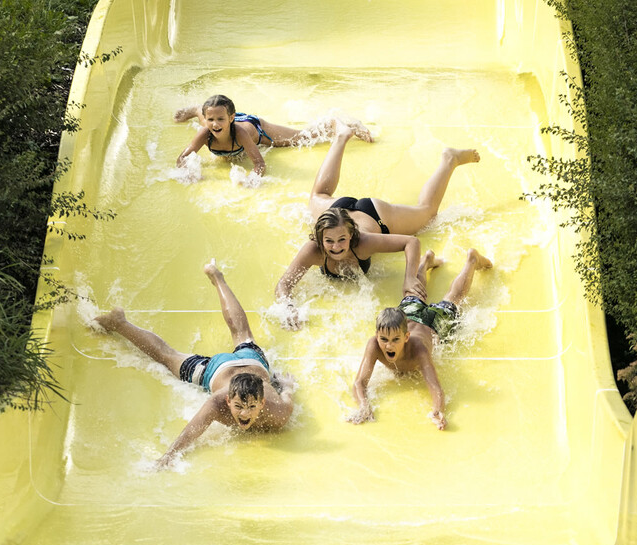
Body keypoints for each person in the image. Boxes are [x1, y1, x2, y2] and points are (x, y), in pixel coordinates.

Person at [274, 125, 481, 329]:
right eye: (329, 241)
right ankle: (342, 135)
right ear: (319, 238)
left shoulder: (363, 242)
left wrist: (409, 278)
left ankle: (449, 159)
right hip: (335, 213)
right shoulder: (313, 250)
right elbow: (283, 284)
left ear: (351, 235)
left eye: (341, 240)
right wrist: (288, 305)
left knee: (427, 213)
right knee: (317, 197)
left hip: (374, 214)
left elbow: (411, 242)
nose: (335, 247)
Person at [94, 262, 296, 469]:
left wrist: (287, 386)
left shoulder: (279, 413)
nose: (244, 414)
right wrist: (169, 456)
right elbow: (192, 430)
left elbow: (287, 398)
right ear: (227, 399)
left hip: (251, 361)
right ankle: (119, 323)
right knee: (167, 356)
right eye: (238, 406)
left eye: (251, 407)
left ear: (262, 403)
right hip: (216, 369)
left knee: (241, 332)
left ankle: (217, 277)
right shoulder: (217, 404)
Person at [346, 248, 492, 430]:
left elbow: (435, 387)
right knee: (413, 294)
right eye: (383, 339)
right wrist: (363, 406)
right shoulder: (374, 344)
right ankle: (426, 262)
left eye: (395, 340)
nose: (388, 345)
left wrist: (438, 410)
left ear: (406, 337)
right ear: (377, 335)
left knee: (454, 299)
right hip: (409, 313)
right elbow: (359, 383)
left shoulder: (419, 350)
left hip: (433, 323)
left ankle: (472, 260)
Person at [174, 94, 372, 176]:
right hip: (226, 120)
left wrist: (252, 178)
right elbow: (183, 157)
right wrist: (189, 173)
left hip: (256, 129)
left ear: (231, 118)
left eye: (220, 120)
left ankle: (339, 123)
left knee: (302, 138)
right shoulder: (207, 130)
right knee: (206, 118)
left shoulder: (240, 133)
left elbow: (259, 164)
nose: (214, 124)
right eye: (212, 120)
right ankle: (196, 109)